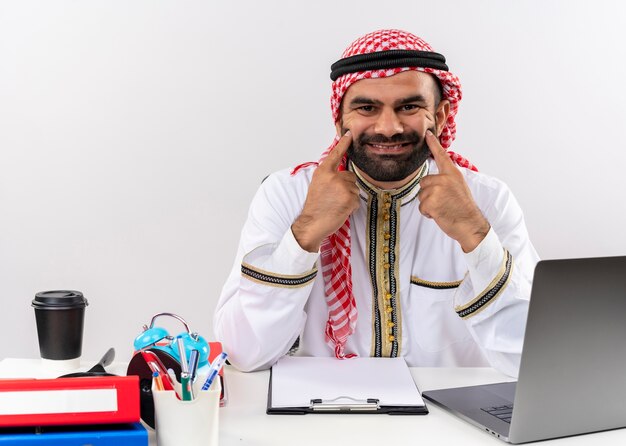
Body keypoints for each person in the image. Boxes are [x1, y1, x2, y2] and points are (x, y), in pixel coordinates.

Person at [214, 29, 539, 377]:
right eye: (367, 108)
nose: (388, 127)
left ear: (441, 116)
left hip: (451, 425)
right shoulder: (288, 194)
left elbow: (532, 360)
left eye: (409, 106)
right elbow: (244, 354)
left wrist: (475, 234)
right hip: (321, 418)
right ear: (339, 119)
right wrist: (306, 232)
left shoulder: (487, 200)